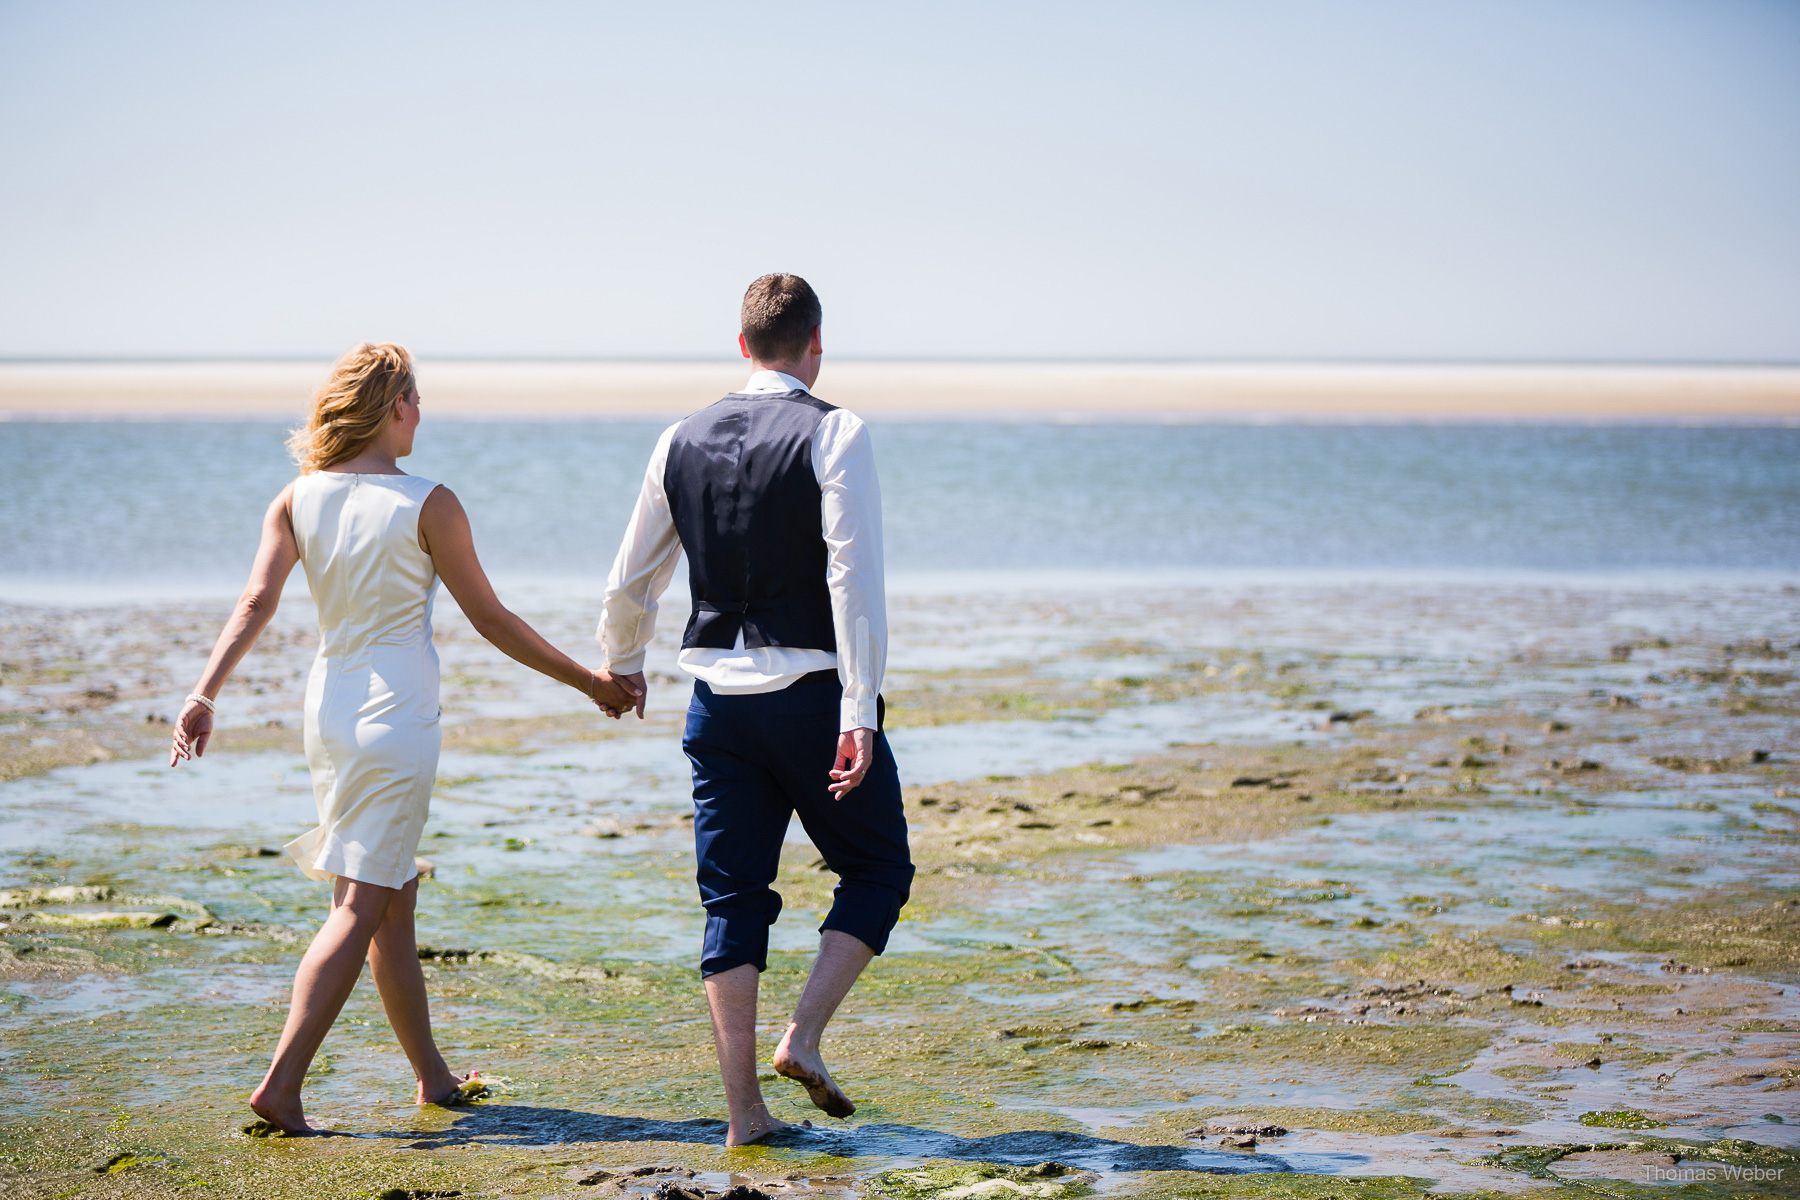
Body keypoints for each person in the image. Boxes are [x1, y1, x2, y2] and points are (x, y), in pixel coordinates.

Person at [169, 342, 639, 1135]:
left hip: (329, 712)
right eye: (417, 400)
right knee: (360, 901)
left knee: (390, 898)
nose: (422, 414)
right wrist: (592, 683)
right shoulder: (431, 502)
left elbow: (256, 600)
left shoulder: (296, 497)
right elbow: (491, 620)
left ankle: (433, 1077)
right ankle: (281, 1085)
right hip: (397, 718)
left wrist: (202, 691)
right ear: (393, 408)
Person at [599, 274, 912, 1146]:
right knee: (880, 871)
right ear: (817, 342)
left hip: (716, 711)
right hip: (812, 702)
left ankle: (744, 1119)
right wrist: (861, 709)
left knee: (731, 900)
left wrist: (623, 664)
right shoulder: (836, 429)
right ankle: (803, 1035)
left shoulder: (676, 438)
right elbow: (854, 576)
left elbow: (632, 578)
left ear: (742, 346)